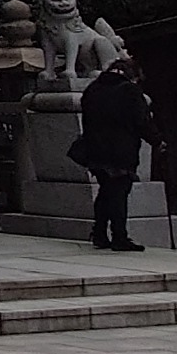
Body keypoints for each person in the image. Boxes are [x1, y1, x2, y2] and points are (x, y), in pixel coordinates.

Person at [71, 52, 155, 251]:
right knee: (118, 193)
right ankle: (119, 235)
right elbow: (142, 121)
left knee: (105, 190)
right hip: (120, 150)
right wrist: (157, 141)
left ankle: (99, 232)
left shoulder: (92, 90)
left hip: (94, 149)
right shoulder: (130, 91)